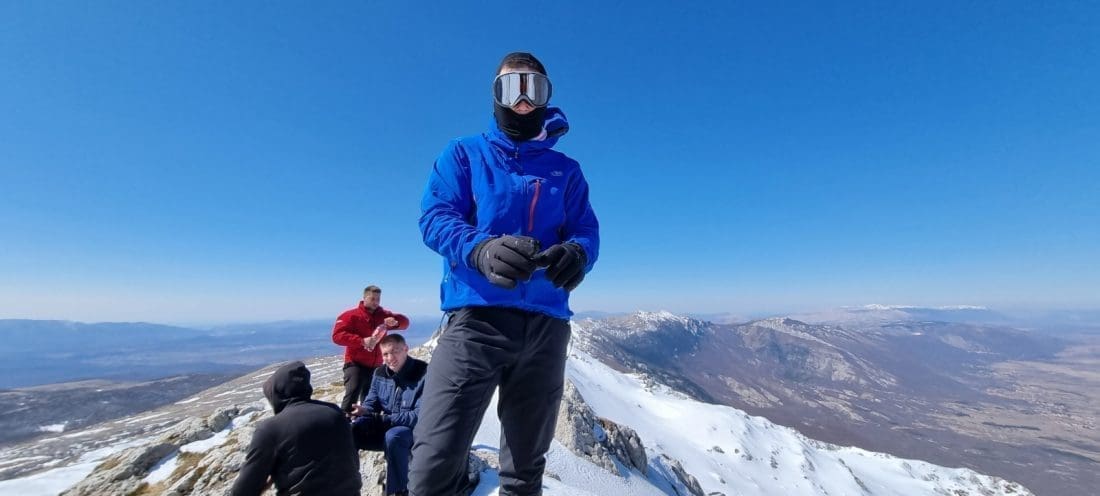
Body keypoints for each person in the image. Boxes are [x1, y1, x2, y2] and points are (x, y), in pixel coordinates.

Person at [410, 52, 600, 496]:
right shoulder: (464, 154)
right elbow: (435, 217)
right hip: (477, 321)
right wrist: (480, 250)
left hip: (546, 328)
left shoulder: (566, 171)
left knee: (525, 472)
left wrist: (577, 253)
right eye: (511, 88)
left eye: (534, 89)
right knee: (434, 464)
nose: (523, 102)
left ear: (547, 97)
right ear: (495, 96)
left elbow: (586, 230)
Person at [230, 361, 361, 496]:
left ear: (278, 393)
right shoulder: (335, 412)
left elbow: (243, 491)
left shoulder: (270, 429)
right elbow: (353, 461)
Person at [351, 333, 428, 496]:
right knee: (351, 431)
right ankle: (349, 486)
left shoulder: (423, 373)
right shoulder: (379, 373)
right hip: (386, 426)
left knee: (394, 436)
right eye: (385, 354)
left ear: (406, 349)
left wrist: (384, 419)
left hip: (411, 432)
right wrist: (363, 412)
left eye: (395, 352)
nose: (390, 358)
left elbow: (419, 415)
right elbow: (371, 403)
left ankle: (398, 491)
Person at [332, 285, 410, 413]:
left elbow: (405, 323)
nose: (376, 302)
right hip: (355, 363)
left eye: (378, 299)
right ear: (364, 298)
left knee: (371, 399)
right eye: (372, 299)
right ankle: (343, 421)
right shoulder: (350, 315)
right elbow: (337, 336)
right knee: (353, 390)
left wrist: (396, 322)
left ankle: (366, 421)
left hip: (376, 365)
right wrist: (361, 341)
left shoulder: (383, 315)